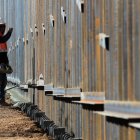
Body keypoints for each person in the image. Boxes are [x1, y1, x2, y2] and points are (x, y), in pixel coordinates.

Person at [0, 20, 13, 105]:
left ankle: (2, 99)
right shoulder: (1, 37)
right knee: (1, 81)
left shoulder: (1, 36)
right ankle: (1, 100)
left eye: (3, 27)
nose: (2, 28)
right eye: (1, 27)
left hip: (2, 63)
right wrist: (9, 32)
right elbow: (4, 39)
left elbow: (4, 53)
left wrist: (7, 63)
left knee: (3, 82)